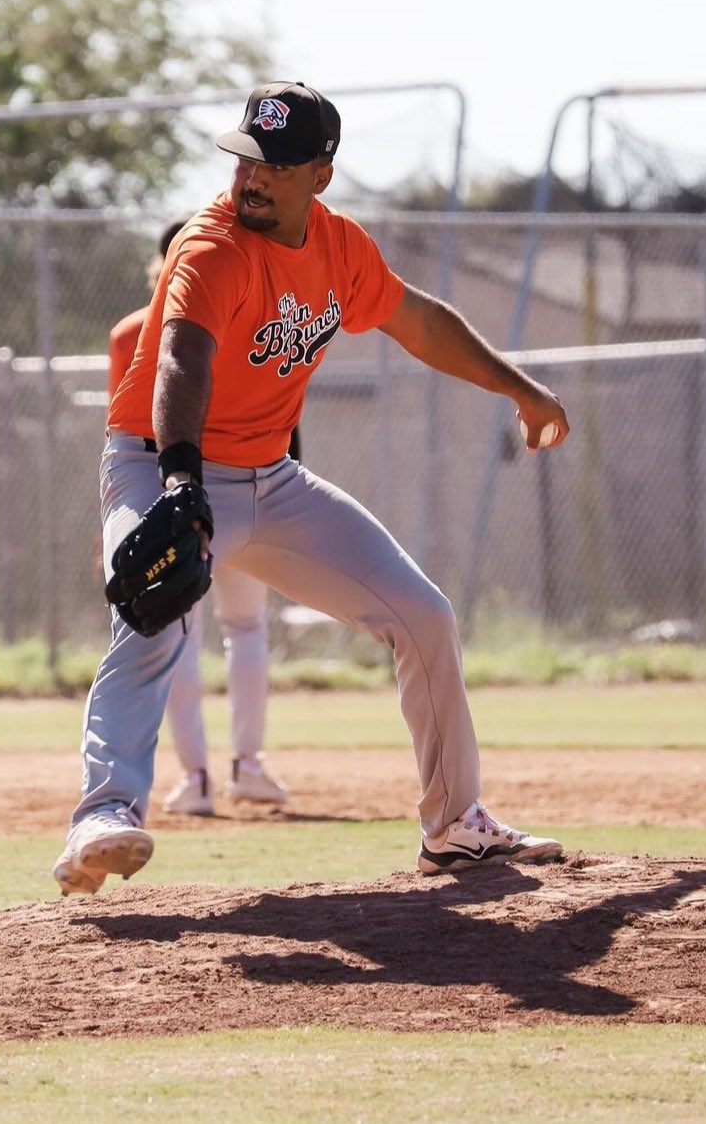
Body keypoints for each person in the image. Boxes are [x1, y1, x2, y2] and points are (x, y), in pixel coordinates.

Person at [54, 80, 571, 896]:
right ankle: (104, 814)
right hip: (159, 460)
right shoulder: (211, 246)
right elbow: (182, 360)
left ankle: (454, 825)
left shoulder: (339, 247)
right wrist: (180, 483)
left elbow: (421, 321)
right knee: (153, 609)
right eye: (245, 158)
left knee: (425, 615)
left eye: (275, 165)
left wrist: (520, 388)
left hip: (273, 477)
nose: (250, 177)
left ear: (320, 174)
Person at [108, 219, 291, 815]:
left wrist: (121, 516)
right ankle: (249, 766)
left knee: (176, 632)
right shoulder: (253, 318)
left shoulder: (131, 333)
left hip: (170, 495)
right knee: (246, 628)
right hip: (251, 486)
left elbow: (124, 434)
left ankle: (198, 780)